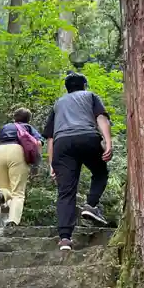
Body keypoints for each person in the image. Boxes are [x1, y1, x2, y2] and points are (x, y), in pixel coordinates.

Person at [43, 71, 112, 251]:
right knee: (100, 172)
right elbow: (101, 117)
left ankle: (65, 238)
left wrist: (51, 163)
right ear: (84, 85)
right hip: (87, 137)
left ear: (67, 88)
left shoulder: (58, 104)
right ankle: (91, 204)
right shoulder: (90, 96)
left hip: (62, 145)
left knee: (66, 191)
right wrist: (108, 142)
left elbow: (50, 138)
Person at [0, 108, 43, 228]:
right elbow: (38, 143)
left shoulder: (6, 127)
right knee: (18, 192)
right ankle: (12, 222)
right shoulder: (28, 127)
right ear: (29, 119)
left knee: (5, 188)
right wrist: (36, 161)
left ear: (14, 118)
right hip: (16, 151)